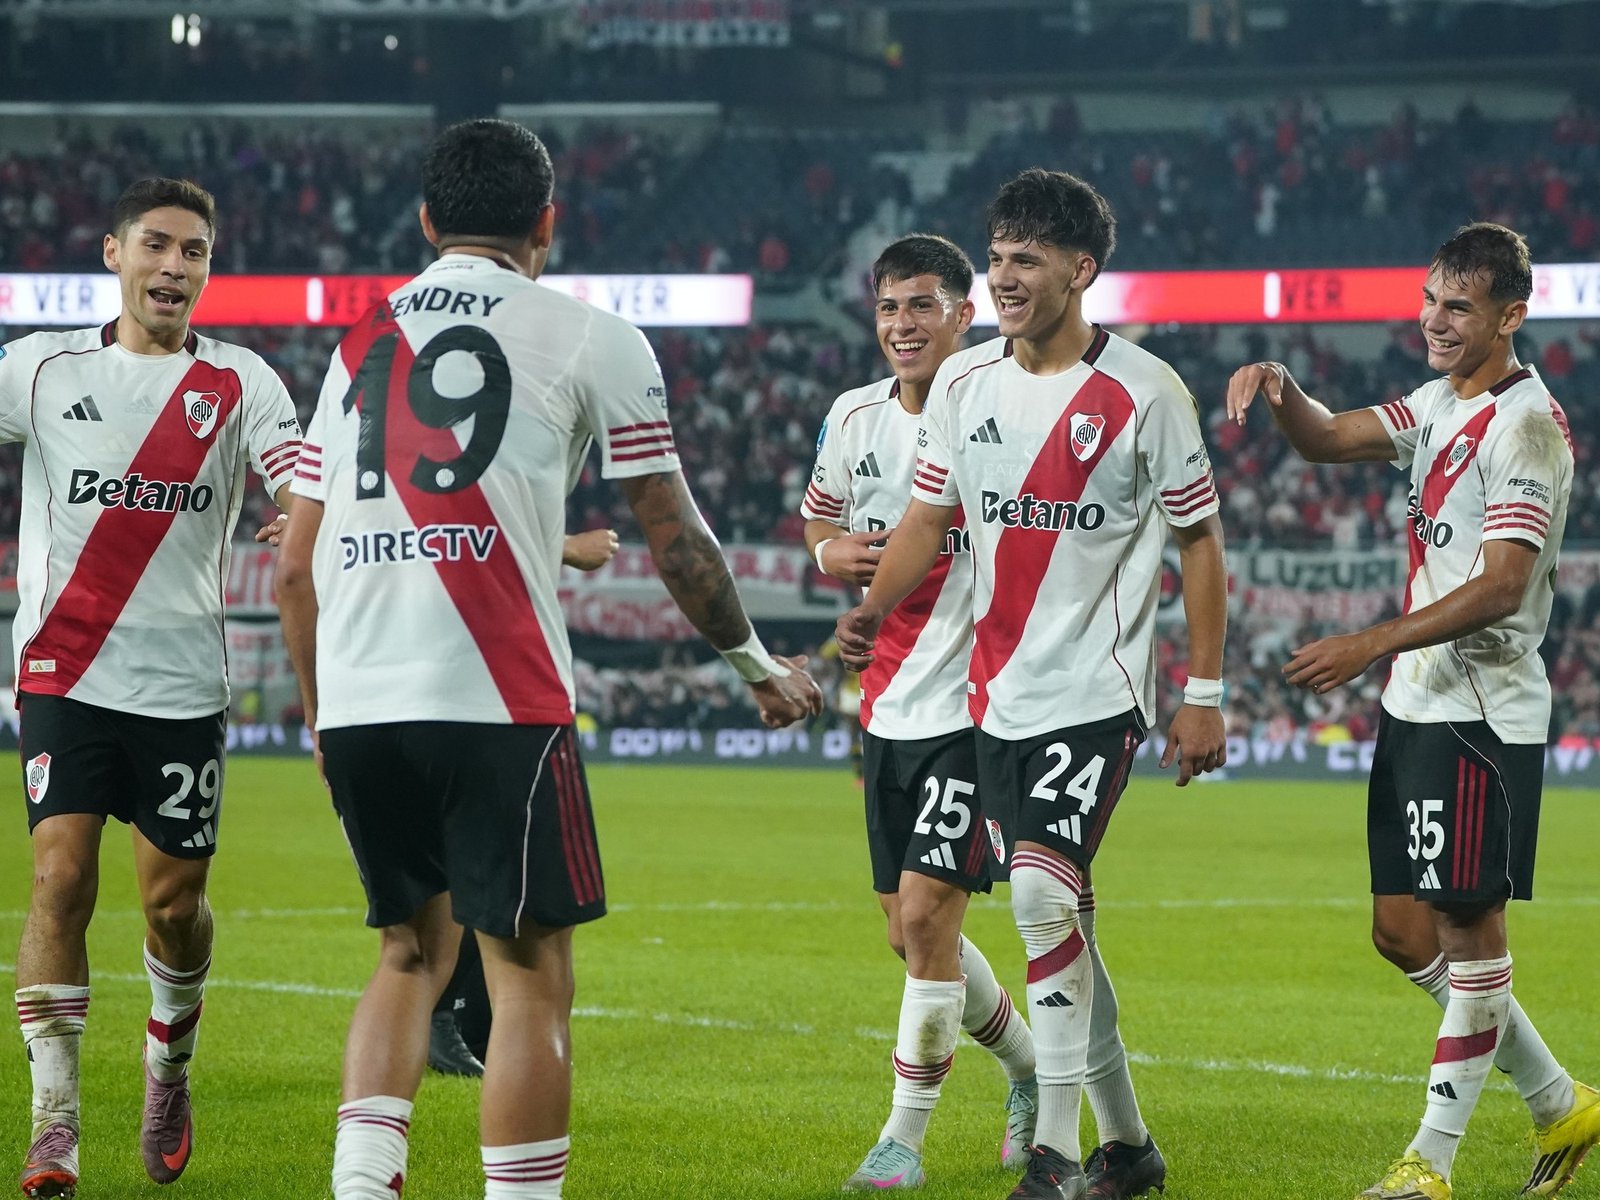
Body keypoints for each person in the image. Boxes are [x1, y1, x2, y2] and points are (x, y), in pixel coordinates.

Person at [274, 118, 822, 1200]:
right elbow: (673, 533)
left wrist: (320, 716)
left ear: (426, 221)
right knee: (529, 979)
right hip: (499, 698)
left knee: (407, 957)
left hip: (362, 699)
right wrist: (754, 664)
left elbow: (294, 568)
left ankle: (361, 1186)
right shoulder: (587, 335)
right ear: (547, 224)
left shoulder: (351, 348)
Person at [837, 168, 1229, 1200]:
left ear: (1081, 270)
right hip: (993, 700)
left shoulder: (1145, 392)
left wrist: (1205, 692)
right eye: (998, 257)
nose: (1006, 277)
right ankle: (1128, 1147)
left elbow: (1199, 541)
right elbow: (927, 517)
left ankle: (1052, 1155)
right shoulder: (966, 385)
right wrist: (874, 607)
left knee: (1042, 900)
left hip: (1095, 695)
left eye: (1028, 260)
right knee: (1067, 925)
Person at [1226, 221, 1599, 1200]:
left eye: (1458, 307)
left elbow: (1502, 585)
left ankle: (1427, 1165)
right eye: (1430, 299)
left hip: (1480, 711)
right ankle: (1559, 1100)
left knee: (1470, 932)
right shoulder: (1437, 402)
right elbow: (1324, 438)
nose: (1434, 320)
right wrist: (1281, 387)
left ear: (1510, 317)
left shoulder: (1527, 427)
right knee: (1401, 931)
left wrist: (1369, 641)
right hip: (1417, 705)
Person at [0, 177, 300, 1198]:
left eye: (194, 251)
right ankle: (54, 1124)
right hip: (65, 668)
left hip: (181, 683)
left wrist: (299, 510)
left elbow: (296, 474)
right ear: (114, 252)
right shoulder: (42, 369)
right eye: (157, 245)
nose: (175, 265)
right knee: (59, 879)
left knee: (174, 907)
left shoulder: (241, 381)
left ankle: (169, 1061)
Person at [803, 234, 1039, 1190]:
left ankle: (901, 1141)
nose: (902, 325)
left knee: (931, 919)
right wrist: (829, 554)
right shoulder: (852, 416)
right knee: (906, 932)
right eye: (888, 308)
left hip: (976, 707)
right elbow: (818, 518)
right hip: (887, 707)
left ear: (963, 314)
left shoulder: (1001, 407)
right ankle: (1028, 1067)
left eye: (922, 306)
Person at [427, 527, 621, 1081]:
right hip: (484, 697)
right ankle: (451, 1018)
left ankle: (462, 1021)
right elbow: (462, 522)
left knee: (483, 875)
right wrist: (566, 546)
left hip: (440, 692)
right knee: (516, 889)